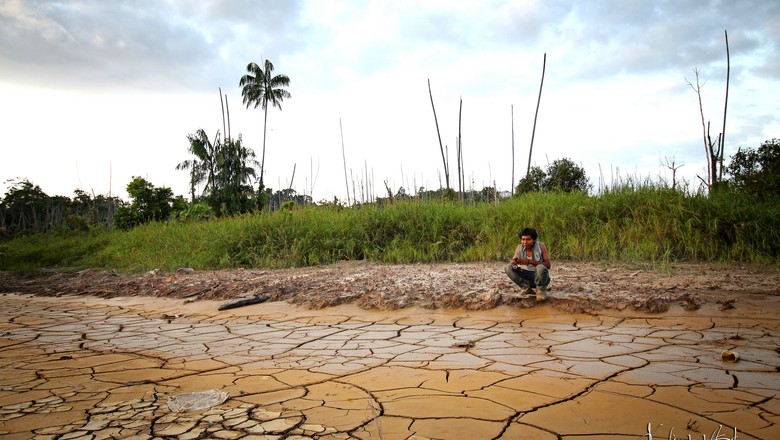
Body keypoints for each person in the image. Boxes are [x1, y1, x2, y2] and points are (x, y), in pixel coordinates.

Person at [505, 227, 551, 300]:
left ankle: (541, 290)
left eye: (528, 239)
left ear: (534, 240)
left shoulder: (540, 246)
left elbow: (548, 265)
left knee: (540, 268)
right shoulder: (519, 247)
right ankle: (526, 288)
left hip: (539, 276)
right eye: (523, 239)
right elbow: (513, 262)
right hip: (527, 277)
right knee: (508, 267)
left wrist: (530, 261)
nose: (525, 242)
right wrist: (515, 261)